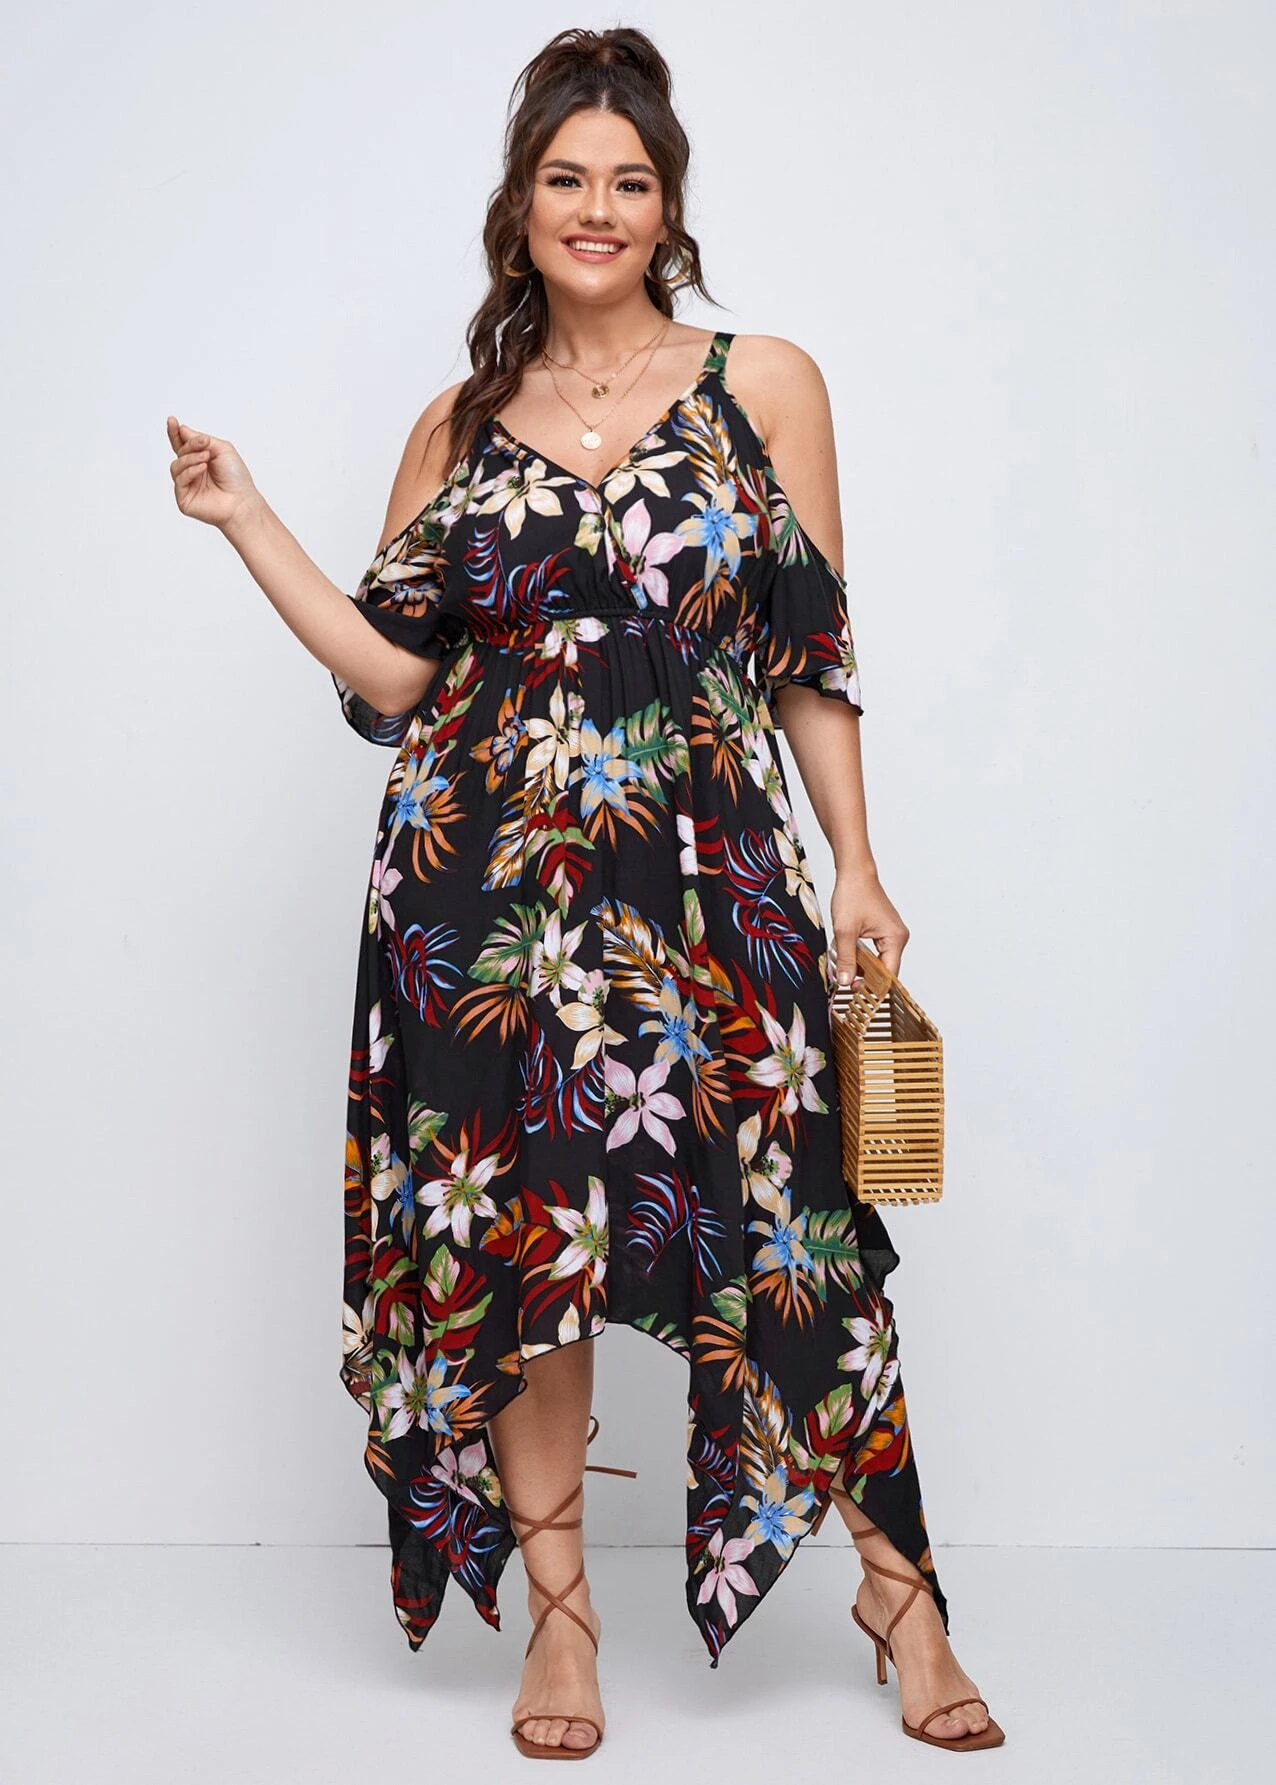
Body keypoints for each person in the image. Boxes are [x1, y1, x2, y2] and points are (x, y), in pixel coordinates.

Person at [166, 22, 1003, 1762]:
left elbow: (811, 652)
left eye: (629, 181)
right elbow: (394, 679)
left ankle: (899, 1592)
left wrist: (858, 863)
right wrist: (247, 520)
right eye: (567, 178)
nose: (598, 208)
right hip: (483, 896)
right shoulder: (459, 424)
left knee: (796, 1228)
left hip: (711, 877)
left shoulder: (763, 383)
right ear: (521, 206)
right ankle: (562, 1620)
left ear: (668, 206)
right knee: (527, 1240)